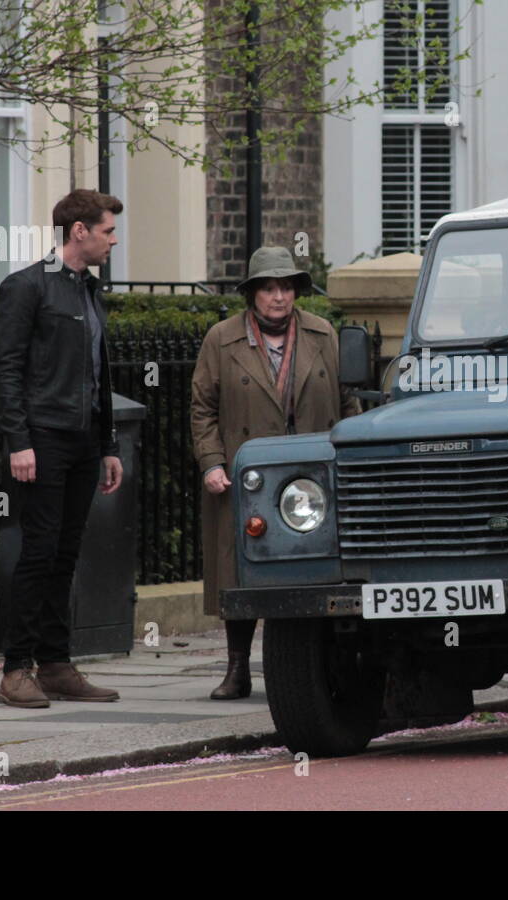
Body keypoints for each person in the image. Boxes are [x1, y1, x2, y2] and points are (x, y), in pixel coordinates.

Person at [191, 245, 360, 699]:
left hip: (312, 472)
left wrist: (351, 455)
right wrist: (212, 463)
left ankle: (323, 669)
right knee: (240, 572)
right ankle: (237, 668)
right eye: (268, 288)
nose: (279, 297)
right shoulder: (220, 339)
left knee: (315, 566)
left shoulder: (323, 334)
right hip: (249, 475)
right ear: (252, 294)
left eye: (286, 287)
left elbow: (348, 402)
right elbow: (202, 410)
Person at [0, 189, 125, 708]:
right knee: (38, 552)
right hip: (42, 437)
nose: (113, 240)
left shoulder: (89, 291)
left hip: (83, 440)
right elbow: (6, 371)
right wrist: (19, 442)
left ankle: (55, 663)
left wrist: (108, 443)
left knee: (66, 554)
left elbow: (98, 372)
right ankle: (15, 669)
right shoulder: (26, 287)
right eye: (108, 231)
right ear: (79, 232)